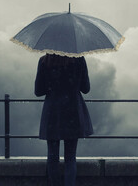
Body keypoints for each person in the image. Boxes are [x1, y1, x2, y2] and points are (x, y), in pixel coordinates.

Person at [35, 53, 93, 186]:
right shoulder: (78, 60)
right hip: (72, 111)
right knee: (70, 158)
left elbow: (38, 91)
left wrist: (52, 85)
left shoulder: (45, 61)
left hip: (53, 113)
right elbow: (86, 88)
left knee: (52, 157)